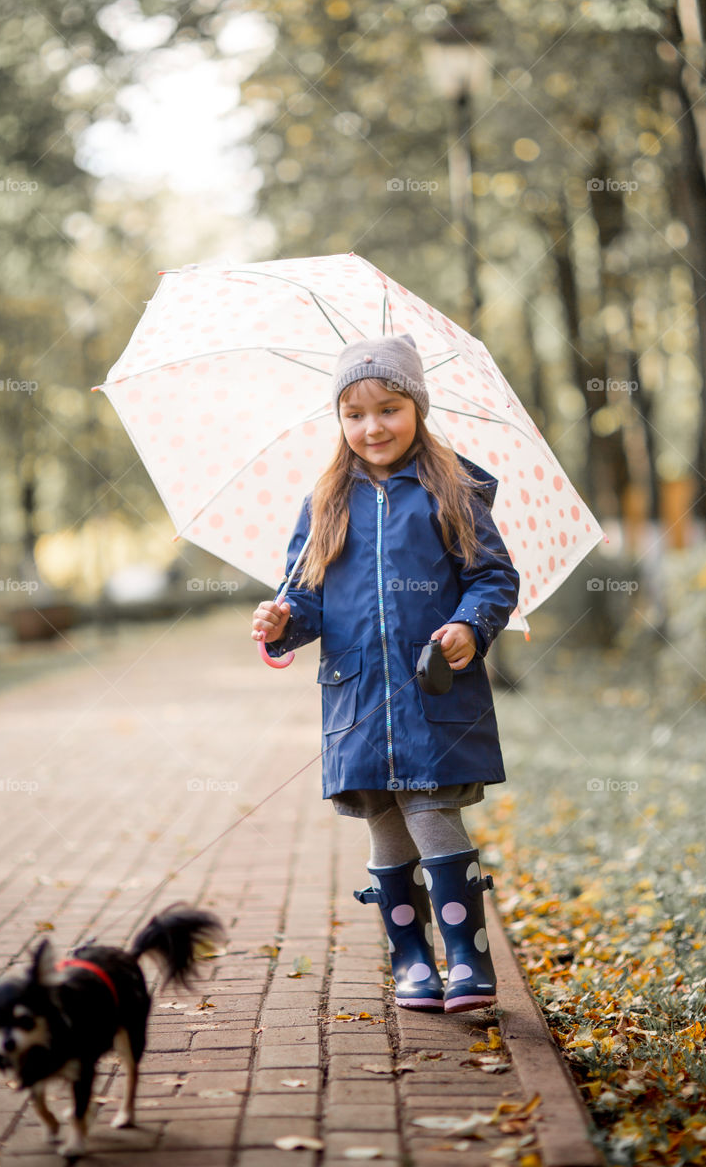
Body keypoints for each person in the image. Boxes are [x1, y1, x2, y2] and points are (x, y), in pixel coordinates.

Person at [251, 335, 519, 1012]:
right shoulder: (323, 505)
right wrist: (285, 622)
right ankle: (411, 964)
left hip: (432, 688)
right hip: (358, 696)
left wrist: (469, 625)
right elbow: (306, 601)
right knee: (384, 820)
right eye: (354, 413)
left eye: (389, 408)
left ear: (416, 409)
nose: (372, 427)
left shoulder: (452, 488)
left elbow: (491, 577)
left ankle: (466, 958)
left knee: (430, 808)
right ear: (339, 420)